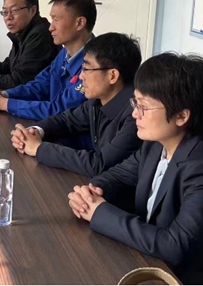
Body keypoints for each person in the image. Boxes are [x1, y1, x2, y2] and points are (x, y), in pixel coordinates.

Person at [67, 53, 203, 284]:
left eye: (144, 107)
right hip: (144, 259)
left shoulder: (198, 168)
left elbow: (175, 246)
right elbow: (120, 174)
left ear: (181, 116)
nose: (134, 114)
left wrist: (99, 212)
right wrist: (92, 192)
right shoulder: (154, 144)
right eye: (135, 103)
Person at [11, 33, 142, 177]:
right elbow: (66, 120)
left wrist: (38, 149)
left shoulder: (136, 114)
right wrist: (34, 132)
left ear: (112, 76)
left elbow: (100, 164)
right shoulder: (98, 100)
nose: (80, 76)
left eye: (86, 69)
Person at [0, 0, 96, 121]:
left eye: (56, 20)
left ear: (79, 23)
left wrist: (3, 103)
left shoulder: (95, 65)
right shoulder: (65, 54)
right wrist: (4, 94)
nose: (51, 27)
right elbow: (39, 85)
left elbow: (59, 110)